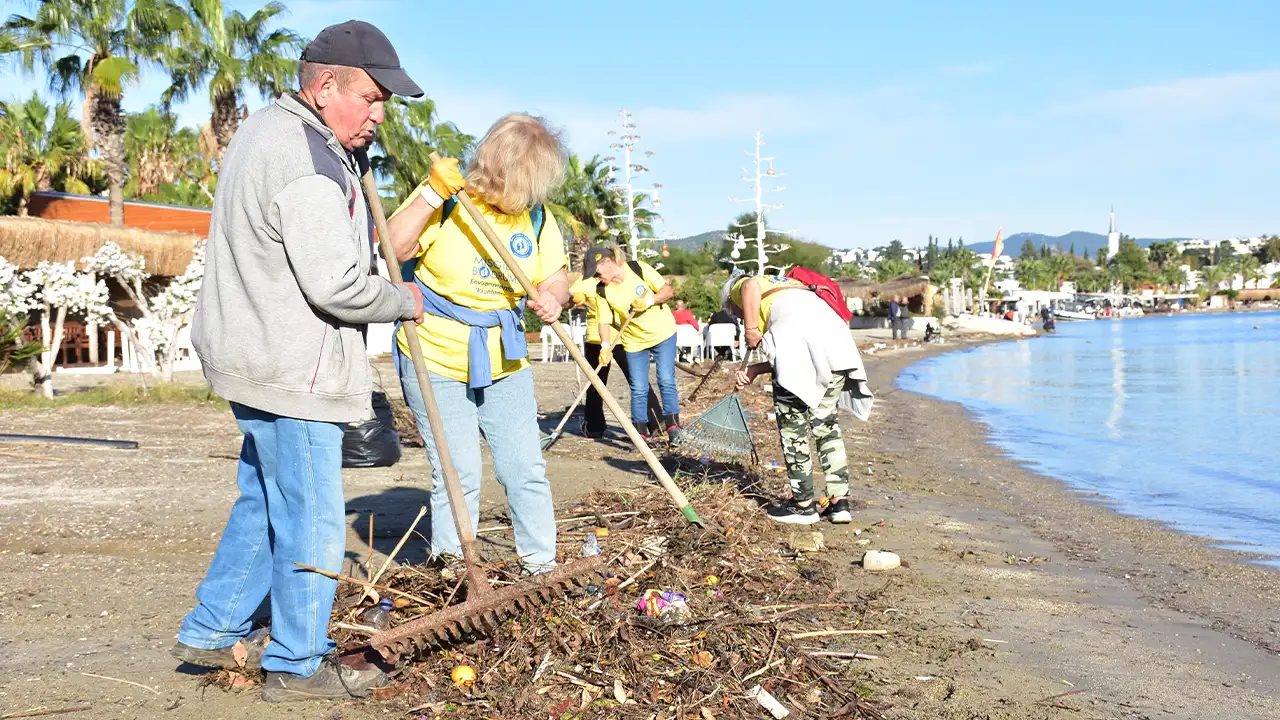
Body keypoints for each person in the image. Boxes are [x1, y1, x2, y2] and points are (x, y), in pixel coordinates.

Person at [173, 21, 425, 702]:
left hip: (249, 352)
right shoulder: (309, 163)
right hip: (293, 367)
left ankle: (214, 624)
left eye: (384, 106)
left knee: (264, 494)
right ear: (323, 87)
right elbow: (336, 286)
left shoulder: (266, 130)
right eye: (369, 100)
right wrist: (401, 300)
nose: (378, 117)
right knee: (311, 512)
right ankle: (296, 660)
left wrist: (349, 158)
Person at [386, 113, 569, 576]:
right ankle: (454, 568)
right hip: (435, 352)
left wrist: (553, 297)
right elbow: (393, 247)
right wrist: (430, 194)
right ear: (498, 166)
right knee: (457, 471)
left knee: (524, 467)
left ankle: (540, 565)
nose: (526, 195)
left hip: (504, 356)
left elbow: (556, 276)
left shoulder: (538, 217)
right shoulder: (449, 197)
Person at [725, 272, 873, 525]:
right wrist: (753, 370)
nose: (740, 317)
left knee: (793, 429)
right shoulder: (787, 287)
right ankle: (839, 503)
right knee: (827, 428)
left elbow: (749, 285)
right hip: (836, 345)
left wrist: (750, 330)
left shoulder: (746, 284)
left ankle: (803, 505)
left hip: (803, 348)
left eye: (736, 313)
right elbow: (800, 351)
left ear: (732, 301)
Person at [582, 245, 681, 440]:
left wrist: (649, 301)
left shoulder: (639, 268)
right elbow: (604, 321)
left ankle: (673, 427)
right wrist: (604, 345)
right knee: (638, 387)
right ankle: (640, 434)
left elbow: (668, 291)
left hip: (663, 333)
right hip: (634, 341)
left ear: (608, 262)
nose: (596, 277)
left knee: (666, 379)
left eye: (597, 272)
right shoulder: (601, 290)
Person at [570, 264, 662, 438]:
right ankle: (594, 427)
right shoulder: (583, 281)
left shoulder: (614, 280)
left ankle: (656, 422)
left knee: (637, 380)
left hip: (621, 338)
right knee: (596, 384)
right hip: (596, 340)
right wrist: (575, 298)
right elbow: (569, 299)